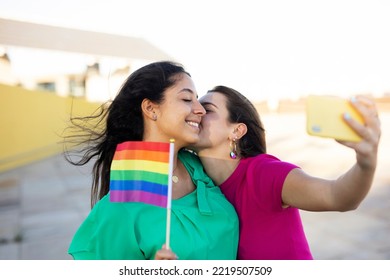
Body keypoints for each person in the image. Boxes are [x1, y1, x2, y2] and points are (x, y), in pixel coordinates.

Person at [63, 62, 239, 260]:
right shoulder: (119, 208)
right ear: (150, 108)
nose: (201, 110)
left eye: (197, 100)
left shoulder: (200, 168)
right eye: (187, 99)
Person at [188, 85, 380, 260]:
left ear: (237, 131)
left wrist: (366, 163)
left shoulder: (265, 173)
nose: (196, 111)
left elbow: (336, 196)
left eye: (208, 109)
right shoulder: (193, 181)